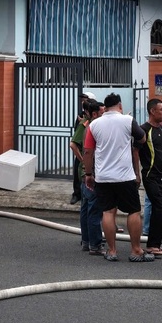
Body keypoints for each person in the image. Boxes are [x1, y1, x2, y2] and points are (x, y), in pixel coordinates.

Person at [82, 93, 150, 262]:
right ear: (120, 105)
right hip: (125, 175)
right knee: (133, 211)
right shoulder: (128, 120)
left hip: (103, 176)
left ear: (104, 108)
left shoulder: (94, 125)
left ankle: (112, 251)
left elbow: (88, 151)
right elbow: (142, 137)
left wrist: (89, 174)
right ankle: (136, 250)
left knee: (108, 212)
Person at [139, 98, 162, 257]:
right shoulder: (143, 130)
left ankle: (156, 245)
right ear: (152, 111)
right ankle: (152, 245)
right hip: (150, 176)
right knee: (158, 207)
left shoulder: (160, 129)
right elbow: (134, 151)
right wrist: (135, 173)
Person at [71, 99, 105, 255]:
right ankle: (95, 244)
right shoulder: (90, 128)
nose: (105, 116)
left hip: (86, 171)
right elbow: (82, 149)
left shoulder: (90, 126)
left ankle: (86, 241)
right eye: (102, 113)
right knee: (93, 208)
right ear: (94, 114)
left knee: (86, 207)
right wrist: (86, 166)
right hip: (88, 172)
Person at [70, 91, 96, 204]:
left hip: (90, 152)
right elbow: (77, 131)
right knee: (78, 172)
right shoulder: (82, 116)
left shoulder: (94, 116)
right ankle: (76, 194)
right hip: (82, 150)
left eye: (85, 99)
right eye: (82, 99)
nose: (83, 101)